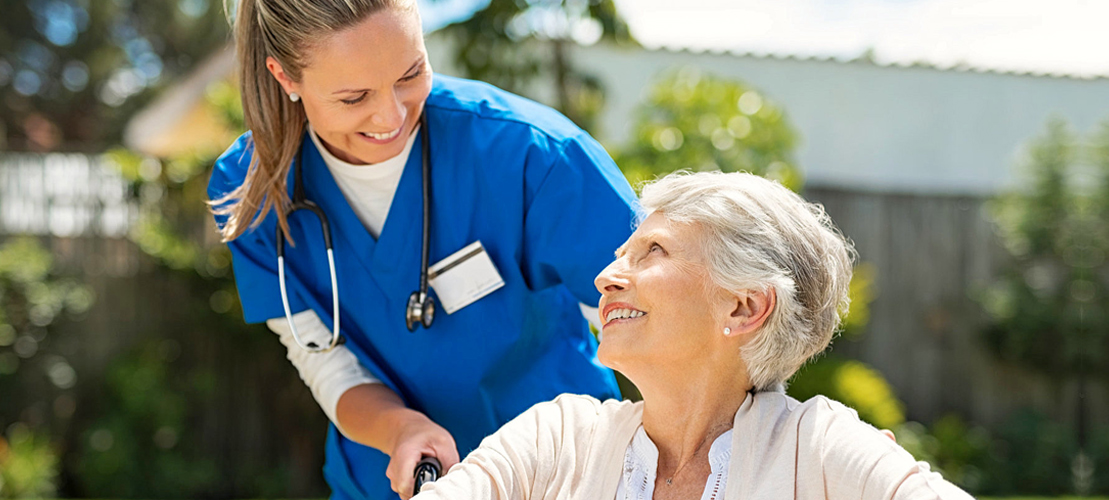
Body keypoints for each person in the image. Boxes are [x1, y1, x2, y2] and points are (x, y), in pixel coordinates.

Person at [206, 1, 638, 498]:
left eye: (411, 73)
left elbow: (660, 328)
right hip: (390, 483)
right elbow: (325, 362)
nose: (391, 116)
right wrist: (399, 430)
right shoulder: (249, 189)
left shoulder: (533, 155)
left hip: (562, 478)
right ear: (285, 77)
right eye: (353, 97)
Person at [415, 172, 976, 500]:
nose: (606, 277)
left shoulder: (821, 450)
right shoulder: (557, 438)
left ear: (744, 305)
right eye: (619, 255)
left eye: (651, 252)